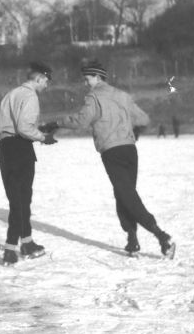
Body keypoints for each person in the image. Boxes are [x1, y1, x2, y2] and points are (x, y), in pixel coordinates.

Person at [53, 61, 175, 259]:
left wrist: (57, 123)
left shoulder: (94, 97)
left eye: (87, 78)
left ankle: (161, 235)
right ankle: (132, 239)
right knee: (124, 193)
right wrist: (132, 130)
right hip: (129, 150)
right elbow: (143, 119)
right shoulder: (123, 96)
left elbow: (82, 121)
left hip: (112, 151)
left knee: (126, 194)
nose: (85, 83)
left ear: (97, 77)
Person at [0, 61, 57, 266]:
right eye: (46, 81)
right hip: (20, 147)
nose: (46, 86)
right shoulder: (31, 96)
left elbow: (12, 123)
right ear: (39, 78)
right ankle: (11, 248)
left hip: (5, 147)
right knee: (21, 199)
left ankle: (27, 242)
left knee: (17, 198)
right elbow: (24, 127)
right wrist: (43, 137)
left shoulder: (11, 94)